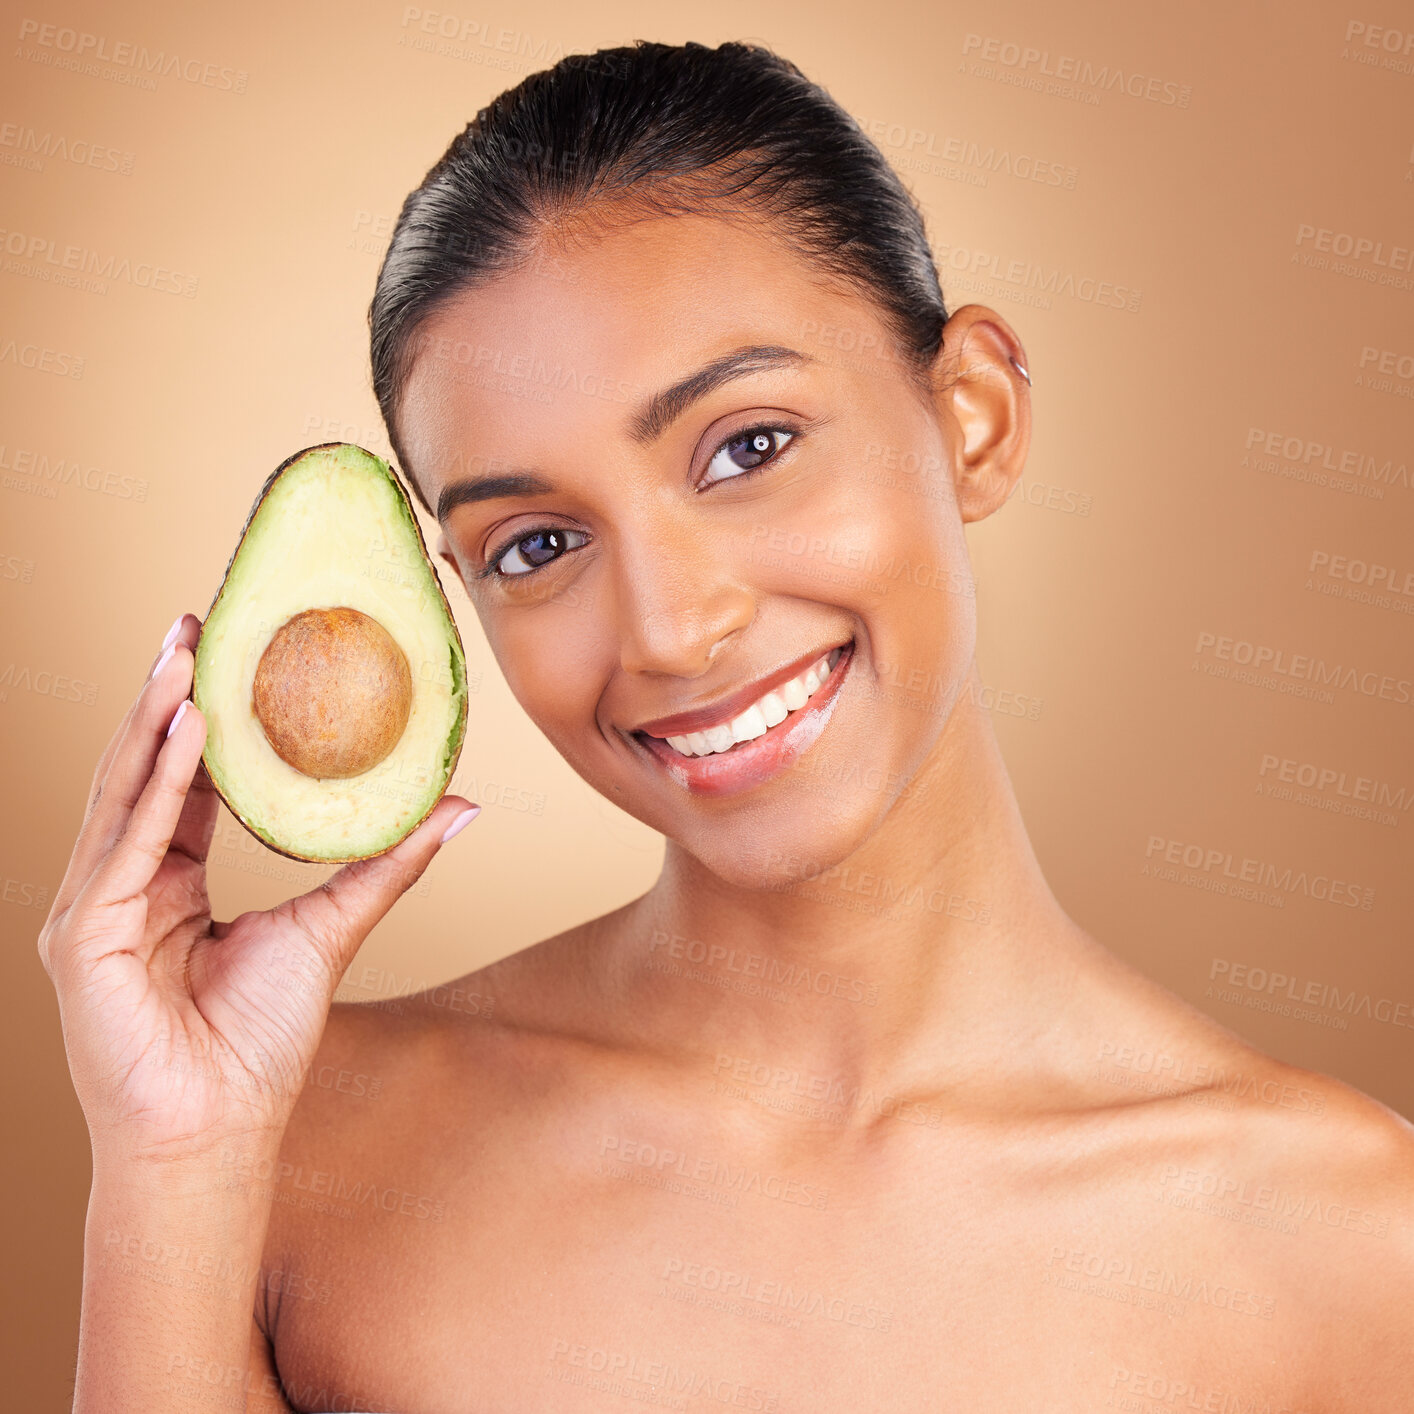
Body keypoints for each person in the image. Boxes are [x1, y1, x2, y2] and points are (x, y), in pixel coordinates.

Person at [41, 40, 1413, 1414]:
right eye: (537, 543)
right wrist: (172, 1161)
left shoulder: (1352, 1244)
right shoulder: (300, 1145)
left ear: (971, 419)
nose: (668, 629)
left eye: (745, 446)